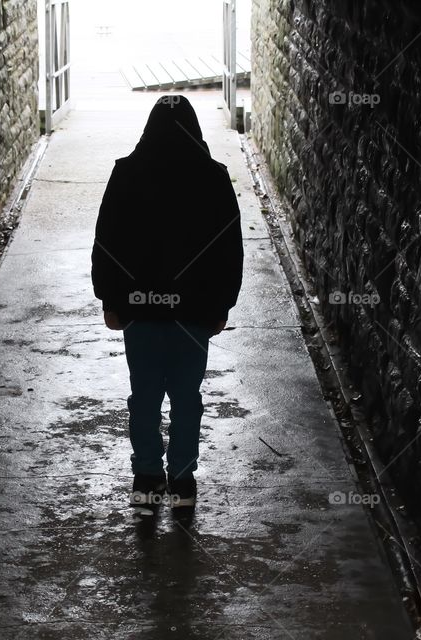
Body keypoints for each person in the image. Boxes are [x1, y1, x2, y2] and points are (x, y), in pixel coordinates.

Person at [91, 95, 243, 512]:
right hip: (192, 312)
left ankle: (145, 475)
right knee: (186, 396)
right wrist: (221, 304)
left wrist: (110, 297)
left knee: (144, 395)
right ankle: (182, 478)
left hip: (141, 310)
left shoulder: (127, 173)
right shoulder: (213, 177)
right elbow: (229, 247)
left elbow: (107, 239)